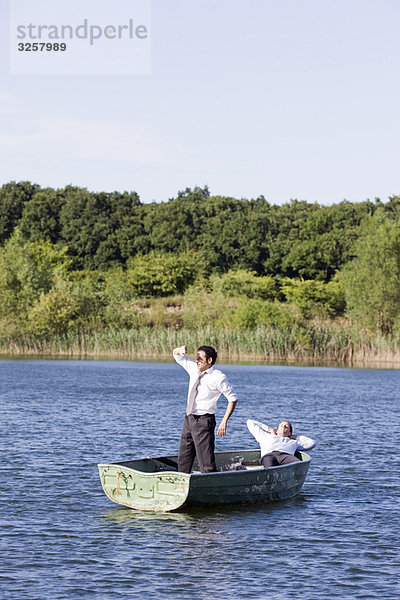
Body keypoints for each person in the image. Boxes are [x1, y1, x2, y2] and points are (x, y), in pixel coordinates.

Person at [173, 345, 238, 474]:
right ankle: (181, 485)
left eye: (199, 358)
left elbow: (233, 398)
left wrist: (224, 421)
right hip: (189, 418)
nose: (196, 360)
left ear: (209, 360)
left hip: (204, 421)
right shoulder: (194, 368)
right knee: (184, 457)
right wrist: (180, 350)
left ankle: (210, 488)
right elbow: (177, 355)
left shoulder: (218, 377)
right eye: (196, 357)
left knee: (206, 461)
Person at [247, 418, 316, 468]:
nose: (284, 427)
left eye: (286, 426)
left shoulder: (294, 442)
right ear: (277, 430)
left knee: (298, 464)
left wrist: (296, 437)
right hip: (269, 455)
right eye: (281, 425)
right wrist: (269, 429)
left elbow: (312, 443)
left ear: (290, 432)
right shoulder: (266, 436)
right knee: (270, 468)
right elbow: (250, 422)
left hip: (285, 455)